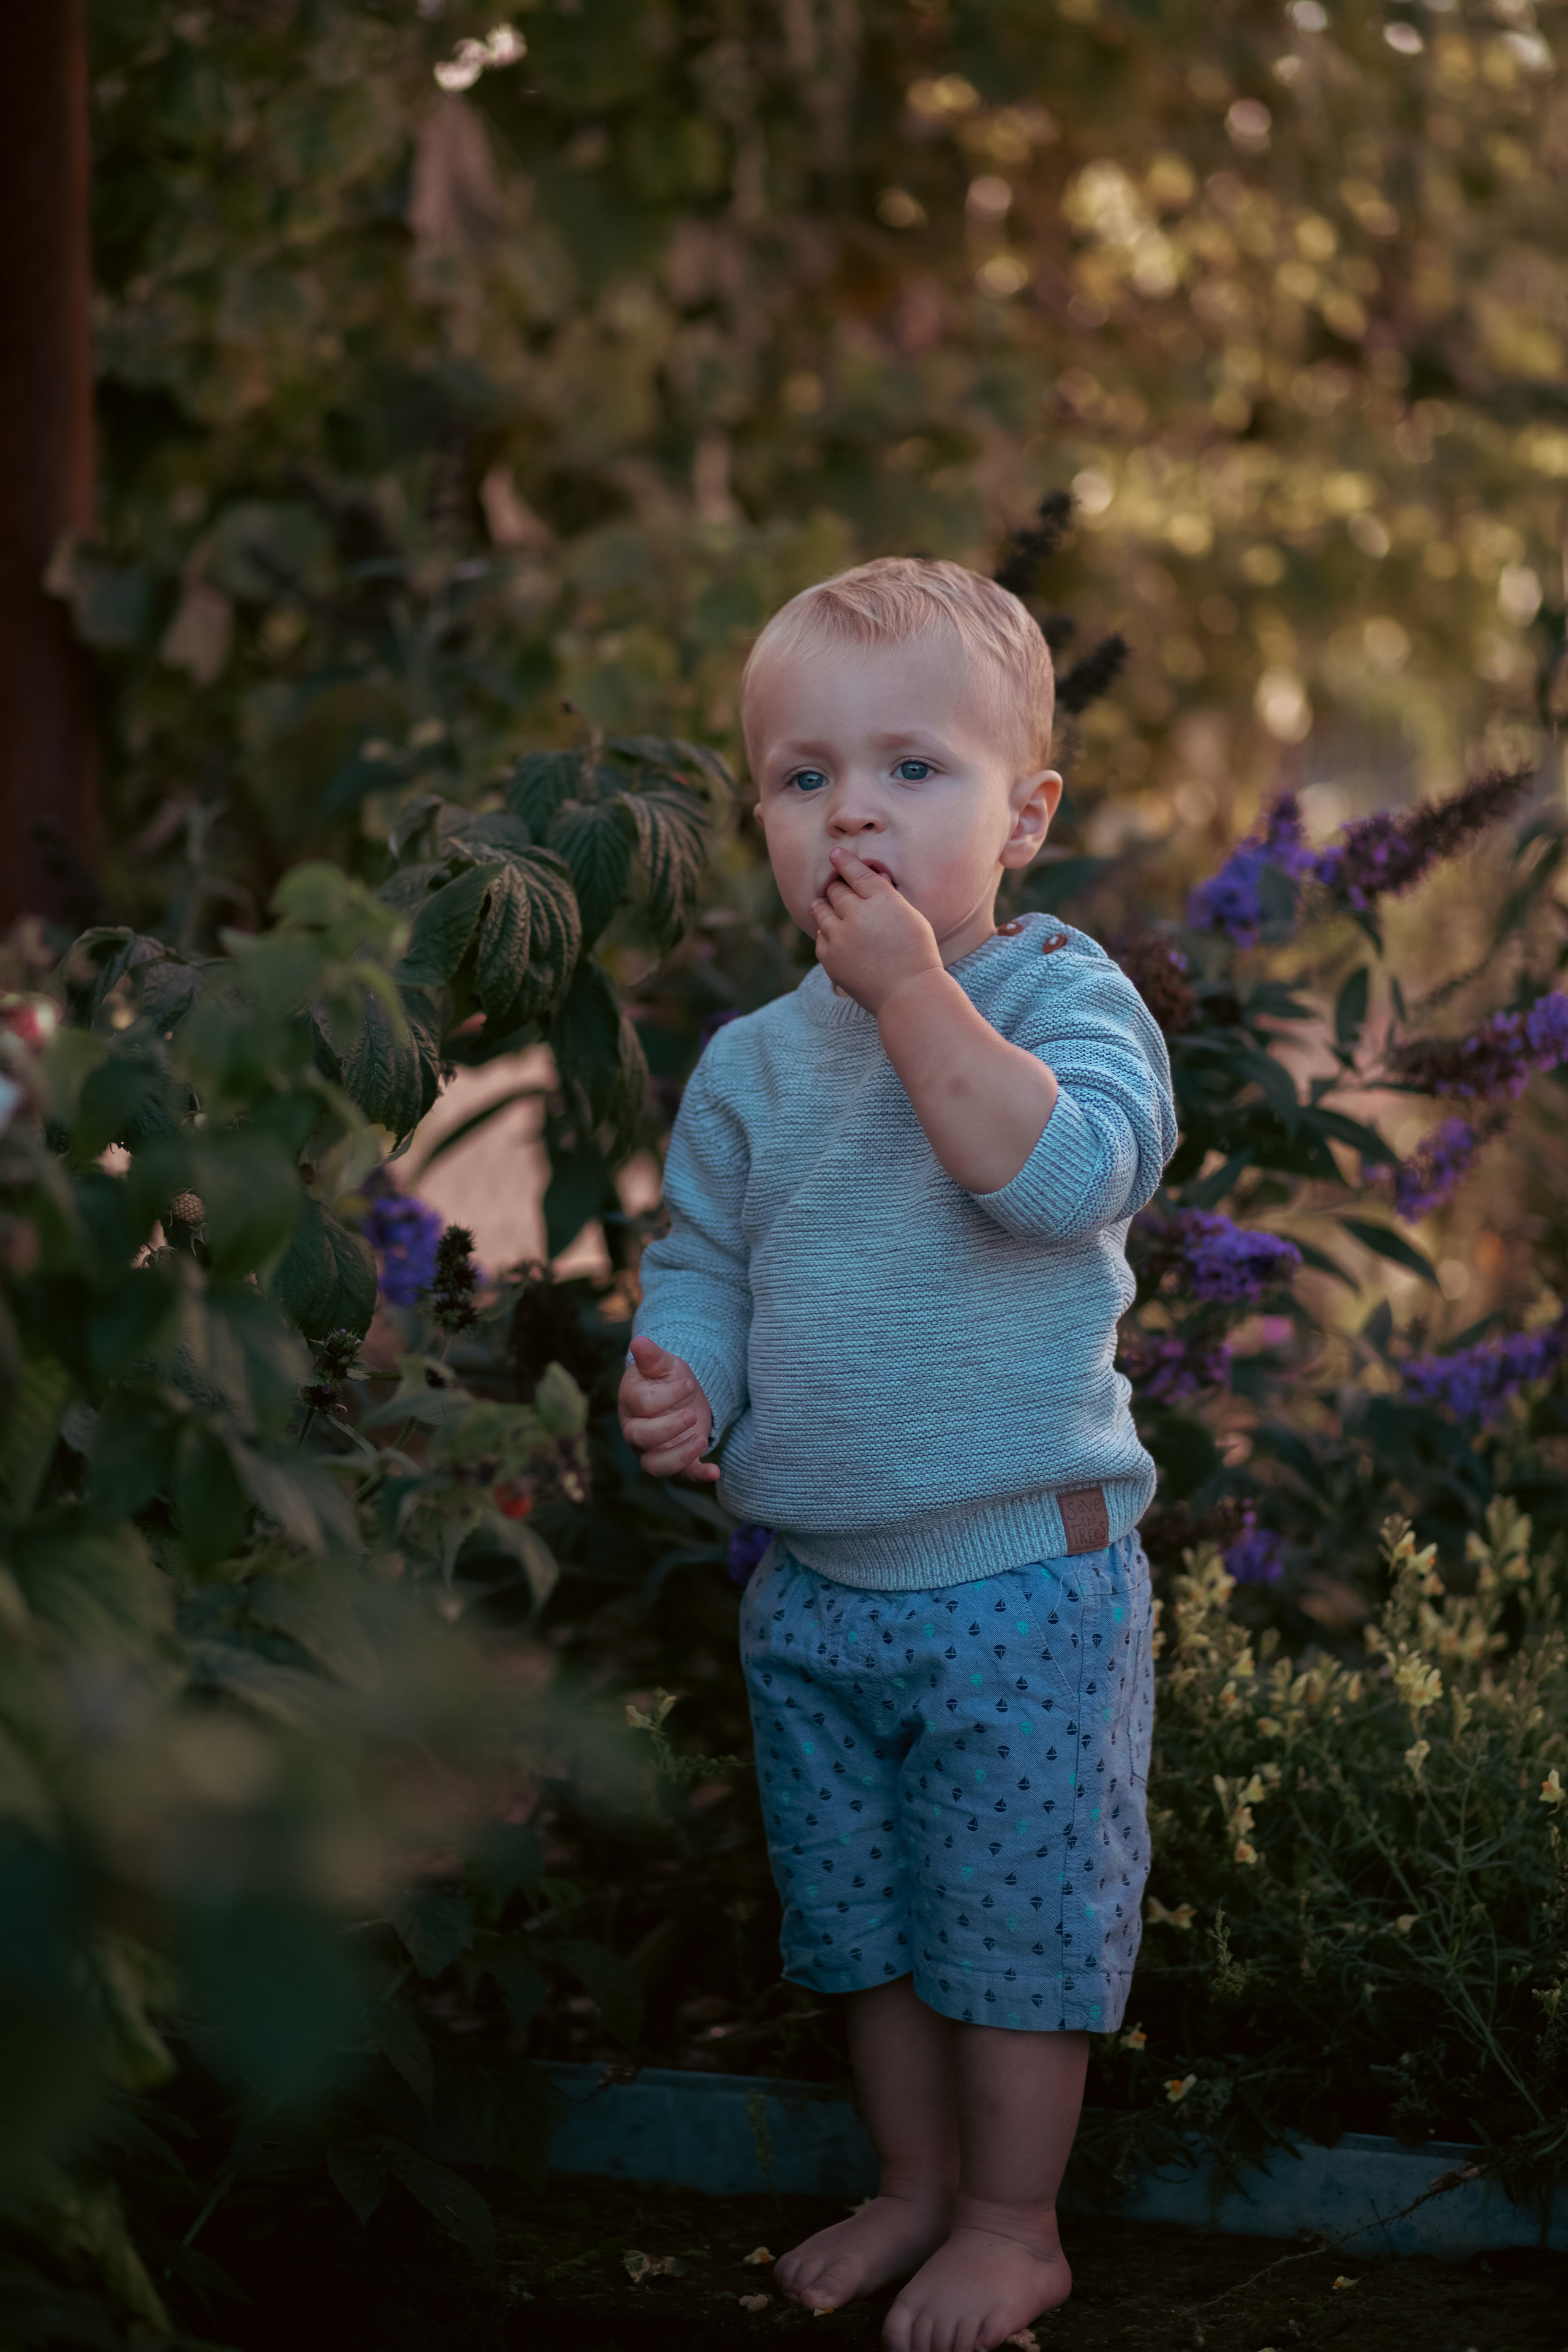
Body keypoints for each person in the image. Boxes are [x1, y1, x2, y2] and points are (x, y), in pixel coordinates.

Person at [618, 557, 1175, 2352]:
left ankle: (1016, 2225)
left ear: (1026, 816)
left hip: (1024, 1583)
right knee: (860, 1924)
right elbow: (708, 1256)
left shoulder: (1067, 1003)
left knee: (1014, 1933)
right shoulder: (754, 1066)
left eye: (912, 769)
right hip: (817, 1587)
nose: (851, 811)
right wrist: (685, 1371)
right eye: (806, 778)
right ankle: (919, 2185)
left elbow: (1057, 1178)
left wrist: (917, 995)